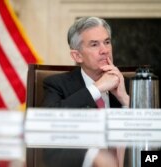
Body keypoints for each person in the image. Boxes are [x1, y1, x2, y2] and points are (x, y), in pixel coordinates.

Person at [41, 16, 129, 167]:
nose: (105, 50)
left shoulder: (130, 84)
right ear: (77, 56)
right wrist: (97, 88)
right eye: (94, 44)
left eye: (107, 42)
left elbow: (152, 146)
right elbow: (49, 124)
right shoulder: (57, 85)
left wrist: (125, 100)